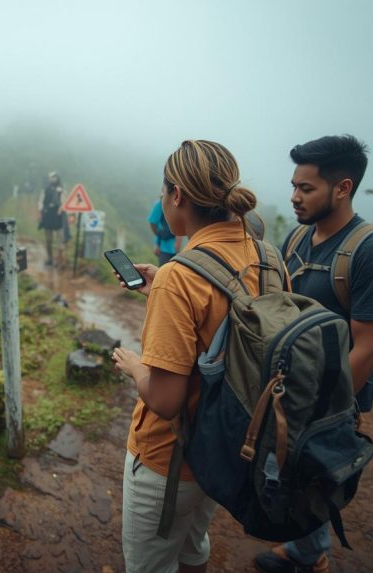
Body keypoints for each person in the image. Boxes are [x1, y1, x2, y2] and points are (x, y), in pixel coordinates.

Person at [112, 140, 262, 573]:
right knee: (194, 548)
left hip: (170, 461)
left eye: (163, 192)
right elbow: (232, 330)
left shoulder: (180, 277)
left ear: (176, 195)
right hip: (227, 447)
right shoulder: (265, 256)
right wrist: (163, 284)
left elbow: (165, 399)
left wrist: (134, 366)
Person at [253, 135, 373, 573]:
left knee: (312, 473)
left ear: (343, 188)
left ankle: (311, 557)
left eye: (307, 188)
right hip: (291, 386)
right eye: (294, 186)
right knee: (291, 474)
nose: (295, 197)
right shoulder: (298, 238)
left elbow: (369, 347)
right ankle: (307, 549)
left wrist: (322, 412)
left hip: (329, 400)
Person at [38, 171, 65, 265]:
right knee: (48, 240)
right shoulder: (46, 189)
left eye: (55, 177)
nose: (53, 179)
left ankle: (59, 260)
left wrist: (61, 209)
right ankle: (50, 259)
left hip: (58, 216)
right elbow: (41, 202)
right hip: (48, 215)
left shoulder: (61, 190)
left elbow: (64, 201)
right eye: (51, 177)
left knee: (60, 239)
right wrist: (41, 212)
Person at [148, 199, 183, 265]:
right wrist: (157, 242)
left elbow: (153, 222)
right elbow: (153, 223)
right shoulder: (160, 203)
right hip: (164, 248)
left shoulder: (178, 202)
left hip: (173, 249)